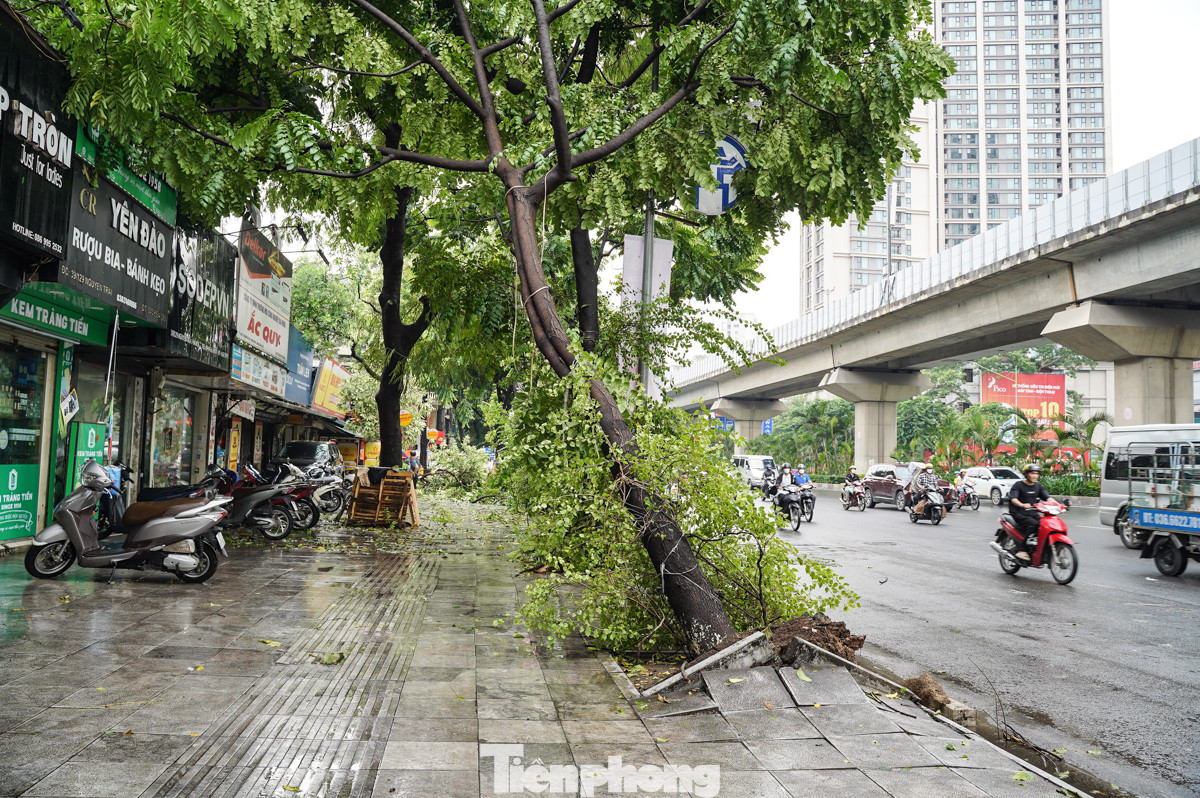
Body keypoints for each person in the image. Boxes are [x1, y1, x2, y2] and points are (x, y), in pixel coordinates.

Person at [1008, 464, 1050, 561]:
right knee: (1034, 524)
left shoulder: (1038, 486)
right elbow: (1013, 499)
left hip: (1031, 513)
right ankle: (1022, 549)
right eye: (1032, 473)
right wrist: (1022, 505)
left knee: (1045, 525)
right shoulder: (1018, 485)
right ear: (1026, 474)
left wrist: (1060, 505)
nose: (1035, 476)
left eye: (1037, 474)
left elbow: (1048, 498)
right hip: (1018, 512)